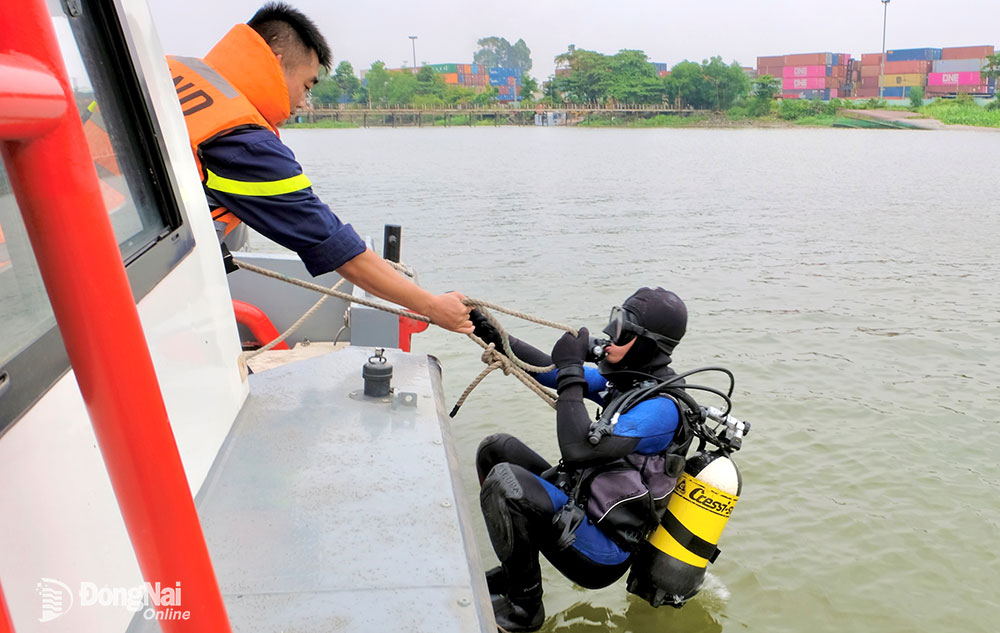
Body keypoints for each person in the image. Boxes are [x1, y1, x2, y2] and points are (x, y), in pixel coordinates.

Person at [166, 3, 471, 333]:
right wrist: (432, 306)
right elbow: (334, 244)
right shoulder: (242, 141)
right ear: (278, 62)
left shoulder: (167, 74)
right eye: (307, 86)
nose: (302, 103)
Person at [474, 287, 694, 632]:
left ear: (648, 343)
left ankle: (525, 608)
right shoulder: (629, 383)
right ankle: (515, 574)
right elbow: (548, 371)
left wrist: (572, 367)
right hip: (583, 505)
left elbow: (577, 451)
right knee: (495, 449)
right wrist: (487, 329)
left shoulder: (660, 408)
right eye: (613, 321)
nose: (608, 335)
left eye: (621, 330)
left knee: (506, 481)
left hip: (602, 550)